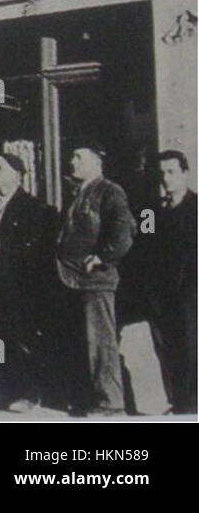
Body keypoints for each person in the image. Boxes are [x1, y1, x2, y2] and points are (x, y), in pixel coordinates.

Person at [0, 151, 54, 412]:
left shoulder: (32, 207)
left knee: (20, 340)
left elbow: (35, 246)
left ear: (17, 174)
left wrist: (0, 244)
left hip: (18, 285)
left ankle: (27, 393)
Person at [55, 139, 134, 415]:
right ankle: (90, 398)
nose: (72, 161)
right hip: (74, 280)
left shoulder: (110, 191)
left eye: (78, 157)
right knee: (86, 342)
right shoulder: (79, 192)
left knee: (101, 344)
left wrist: (102, 257)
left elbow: (124, 231)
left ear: (96, 163)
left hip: (96, 280)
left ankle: (111, 404)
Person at [144, 150, 196, 414]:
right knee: (164, 347)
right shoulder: (152, 212)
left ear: (185, 173)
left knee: (188, 346)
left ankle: (189, 405)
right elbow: (144, 246)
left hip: (189, 292)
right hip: (159, 293)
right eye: (161, 173)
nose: (165, 178)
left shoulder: (195, 208)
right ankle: (176, 400)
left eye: (171, 172)